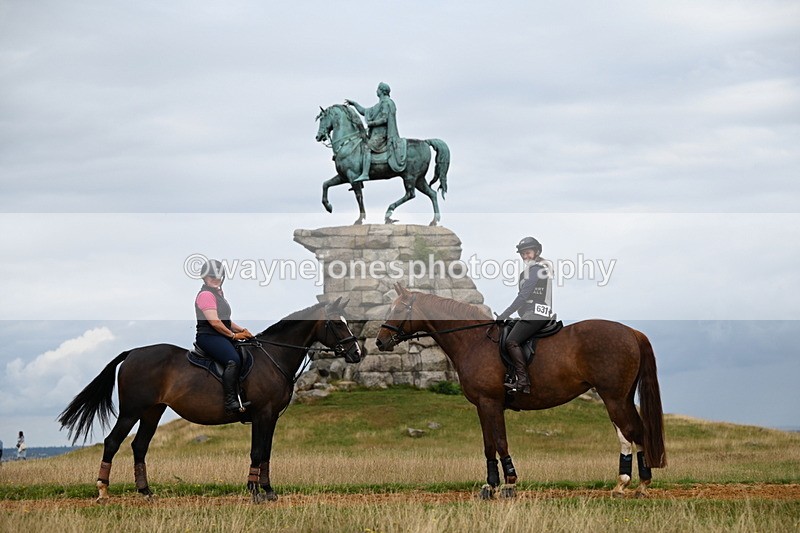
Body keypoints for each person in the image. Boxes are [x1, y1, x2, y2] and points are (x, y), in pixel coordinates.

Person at [195, 259, 254, 413]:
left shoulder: (219, 294)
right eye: (212, 276)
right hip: (208, 336)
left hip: (221, 335)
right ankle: (230, 401)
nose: (216, 279)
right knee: (233, 360)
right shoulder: (206, 295)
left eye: (219, 276)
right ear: (204, 277)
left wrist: (244, 331)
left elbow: (227, 321)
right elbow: (215, 322)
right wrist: (234, 336)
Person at [497, 237, 555, 394]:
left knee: (511, 341)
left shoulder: (537, 270)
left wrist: (504, 314)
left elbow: (523, 297)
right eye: (522, 254)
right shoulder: (528, 272)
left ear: (536, 252)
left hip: (536, 313)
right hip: (530, 313)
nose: (525, 256)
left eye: (527, 253)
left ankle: (523, 382)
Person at [345, 82, 406, 182]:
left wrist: (372, 123)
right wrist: (354, 104)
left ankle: (365, 174)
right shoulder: (379, 105)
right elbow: (364, 111)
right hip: (375, 134)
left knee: (367, 147)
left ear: (382, 91)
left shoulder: (386, 103)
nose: (376, 91)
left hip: (382, 135)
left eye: (378, 89)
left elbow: (385, 119)